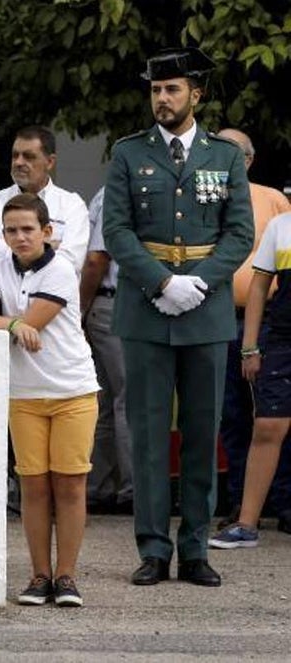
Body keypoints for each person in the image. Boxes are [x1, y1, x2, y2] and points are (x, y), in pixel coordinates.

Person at [103, 47, 253, 587]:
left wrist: (199, 283)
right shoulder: (128, 153)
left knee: (200, 430)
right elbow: (116, 230)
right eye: (155, 90)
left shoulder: (224, 156)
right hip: (146, 310)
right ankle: (152, 549)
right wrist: (162, 281)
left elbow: (240, 233)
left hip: (206, 311)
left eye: (172, 89)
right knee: (146, 433)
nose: (162, 99)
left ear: (197, 93)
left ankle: (194, 550)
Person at [0, 193, 99, 607]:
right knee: (34, 487)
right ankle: (40, 576)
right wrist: (14, 323)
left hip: (71, 390)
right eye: (11, 230)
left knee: (70, 485)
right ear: (3, 235)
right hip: (23, 394)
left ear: (47, 232)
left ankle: (67, 576)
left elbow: (37, 321)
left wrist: (11, 322)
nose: (20, 238)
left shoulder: (60, 269)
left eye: (27, 229)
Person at [214, 128, 291, 529]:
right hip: (217, 319)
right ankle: (242, 507)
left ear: (247, 160)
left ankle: (283, 502)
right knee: (233, 415)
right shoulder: (202, 198)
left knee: (277, 414)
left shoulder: (272, 199)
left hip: (271, 325)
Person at [79, 186, 133, 514]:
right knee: (129, 400)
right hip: (117, 305)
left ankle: (98, 486)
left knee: (105, 404)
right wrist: (80, 309)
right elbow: (97, 258)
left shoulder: (101, 193)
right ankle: (133, 490)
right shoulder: (118, 192)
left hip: (104, 306)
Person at [0, 125, 90, 274]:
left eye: (28, 156)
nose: (18, 162)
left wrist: (14, 248)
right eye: (15, 155)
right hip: (1, 297)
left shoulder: (72, 205)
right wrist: (47, 245)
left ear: (50, 162)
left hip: (50, 294)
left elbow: (71, 261)